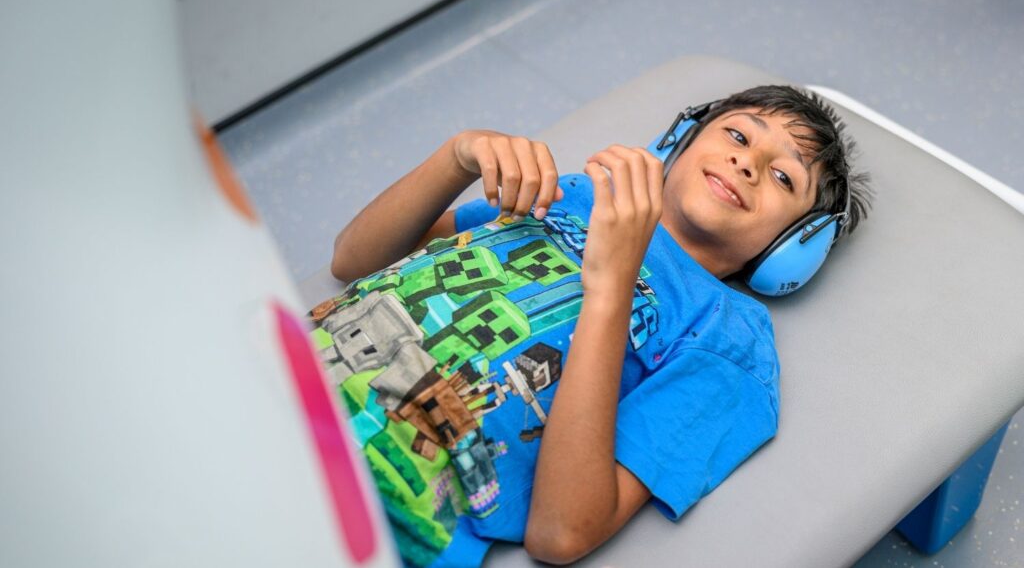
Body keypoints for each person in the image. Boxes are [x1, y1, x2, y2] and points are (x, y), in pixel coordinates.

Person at [310, 85, 871, 567]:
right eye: (739, 136)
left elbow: (561, 533)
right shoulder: (576, 193)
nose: (746, 164)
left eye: (782, 176)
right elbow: (352, 259)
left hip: (365, 507)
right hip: (285, 377)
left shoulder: (731, 341)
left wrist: (612, 287)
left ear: (796, 250)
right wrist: (458, 155)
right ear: (680, 139)